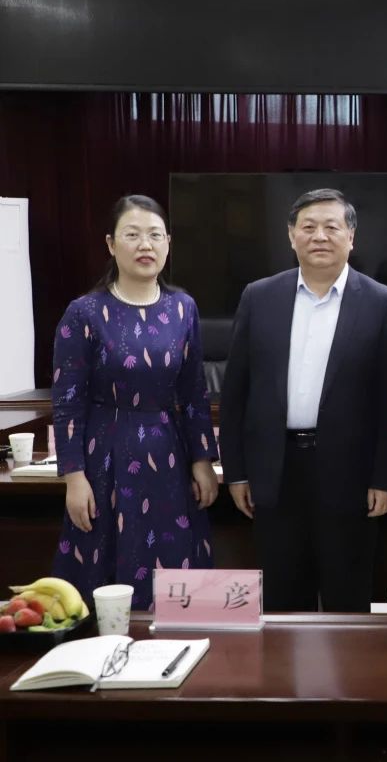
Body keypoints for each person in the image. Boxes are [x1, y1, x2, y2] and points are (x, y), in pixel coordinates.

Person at [220, 189, 387, 612]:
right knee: (283, 600)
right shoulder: (259, 297)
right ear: (291, 236)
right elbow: (236, 393)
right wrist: (236, 472)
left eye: (331, 227)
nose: (319, 236)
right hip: (275, 471)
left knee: (348, 597)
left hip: (350, 476)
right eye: (308, 227)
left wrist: (384, 478)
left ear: (351, 237)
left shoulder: (383, 303)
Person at [50, 195, 219, 610]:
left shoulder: (183, 308)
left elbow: (193, 391)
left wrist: (203, 460)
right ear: (111, 244)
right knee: (104, 562)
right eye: (132, 235)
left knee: (174, 556)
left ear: (168, 243)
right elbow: (67, 400)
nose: (145, 245)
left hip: (168, 453)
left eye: (155, 235)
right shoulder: (84, 312)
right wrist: (73, 477)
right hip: (103, 454)